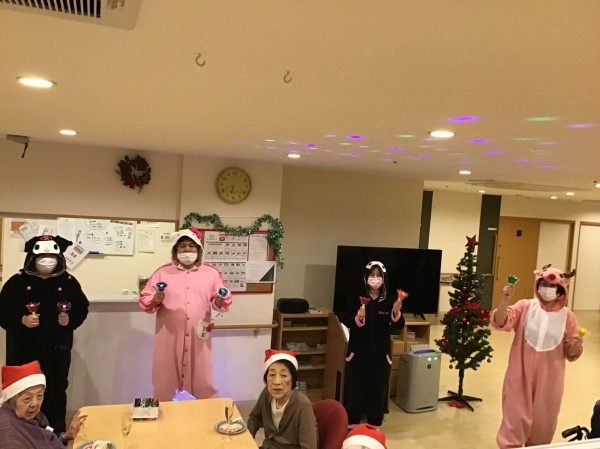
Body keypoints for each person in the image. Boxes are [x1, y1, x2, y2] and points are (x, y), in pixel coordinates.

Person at [0, 235, 89, 435]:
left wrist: (70, 319)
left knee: (55, 389)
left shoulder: (68, 282)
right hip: (24, 349)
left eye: (52, 257)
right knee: (22, 391)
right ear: (33, 257)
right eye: (42, 256)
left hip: (57, 349)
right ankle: (18, 434)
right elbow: (2, 310)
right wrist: (21, 319)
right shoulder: (17, 282)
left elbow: (82, 308)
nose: (47, 260)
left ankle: (56, 436)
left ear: (59, 258)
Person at [492, 264, 584, 448]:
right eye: (544, 284)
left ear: (561, 291)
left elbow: (571, 353)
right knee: (514, 420)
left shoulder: (568, 317)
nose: (547, 289)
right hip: (519, 375)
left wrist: (576, 344)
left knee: (543, 424)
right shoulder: (525, 307)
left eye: (552, 286)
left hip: (550, 380)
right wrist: (505, 299)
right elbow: (500, 321)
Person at [139, 227, 232, 401]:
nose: (187, 250)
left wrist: (219, 300)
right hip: (169, 337)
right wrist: (156, 300)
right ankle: (165, 413)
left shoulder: (211, 274)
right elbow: (145, 300)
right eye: (182, 246)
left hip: (199, 338)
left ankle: (204, 413)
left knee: (202, 379)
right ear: (175, 250)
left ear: (199, 249)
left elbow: (222, 299)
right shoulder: (162, 273)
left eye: (191, 246)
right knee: (165, 380)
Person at [342, 260, 405, 429]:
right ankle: (352, 424)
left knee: (378, 390)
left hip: (380, 355)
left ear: (384, 278)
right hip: (357, 353)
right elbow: (346, 319)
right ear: (366, 277)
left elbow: (398, 327)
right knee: (355, 389)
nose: (375, 279)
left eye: (379, 276)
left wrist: (396, 311)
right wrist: (358, 318)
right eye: (372, 275)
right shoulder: (356, 297)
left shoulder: (389, 299)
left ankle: (374, 425)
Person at [0, 360, 87, 449]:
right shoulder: (10, 434)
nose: (35, 403)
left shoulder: (30, 415)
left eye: (39, 396)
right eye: (27, 398)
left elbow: (44, 439)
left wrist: (67, 436)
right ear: (11, 400)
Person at [247, 349, 318, 449]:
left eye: (284, 375)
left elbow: (309, 447)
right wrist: (249, 434)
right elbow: (255, 417)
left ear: (293, 379)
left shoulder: (302, 405)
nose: (277, 382)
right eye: (272, 375)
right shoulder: (266, 394)